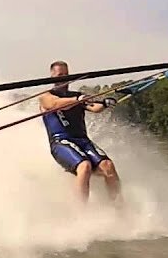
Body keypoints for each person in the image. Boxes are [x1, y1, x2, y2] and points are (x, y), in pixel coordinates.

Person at [38, 60, 122, 204]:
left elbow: (94, 107)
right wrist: (77, 99)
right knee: (85, 166)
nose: (63, 78)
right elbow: (54, 104)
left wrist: (105, 104)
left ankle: (120, 209)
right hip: (60, 142)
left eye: (66, 74)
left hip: (82, 140)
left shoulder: (78, 95)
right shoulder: (45, 96)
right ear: (52, 77)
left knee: (108, 166)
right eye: (59, 75)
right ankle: (81, 215)